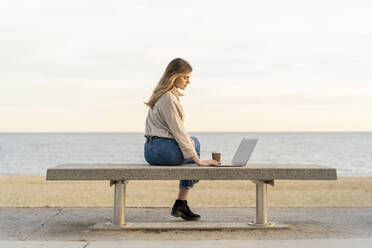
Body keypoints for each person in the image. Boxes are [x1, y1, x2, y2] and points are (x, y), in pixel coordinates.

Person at [144, 58, 221, 221]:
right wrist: (198, 160)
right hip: (162, 151)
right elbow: (178, 131)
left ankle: (182, 201)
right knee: (194, 142)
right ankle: (182, 200)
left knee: (190, 143)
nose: (188, 81)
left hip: (150, 150)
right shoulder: (168, 98)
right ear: (174, 76)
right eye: (185, 77)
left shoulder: (159, 95)